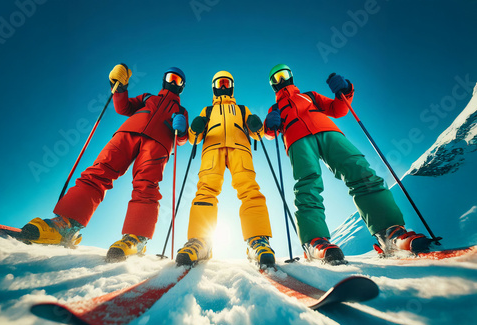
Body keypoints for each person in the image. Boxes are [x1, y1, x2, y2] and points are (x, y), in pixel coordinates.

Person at [263, 64, 432, 264]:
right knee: (307, 184)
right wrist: (270, 123)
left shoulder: (309, 96)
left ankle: (390, 233)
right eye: (276, 78)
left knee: (359, 169)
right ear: (272, 85)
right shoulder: (275, 108)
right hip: (297, 140)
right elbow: (269, 133)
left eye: (284, 75)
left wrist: (345, 90)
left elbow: (338, 109)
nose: (281, 80)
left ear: (291, 76)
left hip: (328, 132)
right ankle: (314, 242)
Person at [20, 64, 189, 262]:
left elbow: (182, 138)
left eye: (177, 80)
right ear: (164, 79)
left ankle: (136, 238)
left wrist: (183, 129)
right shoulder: (147, 98)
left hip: (158, 144)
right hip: (128, 133)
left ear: (182, 86)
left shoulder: (181, 110)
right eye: (170, 77)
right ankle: (67, 224)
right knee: (99, 171)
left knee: (146, 185)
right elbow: (123, 107)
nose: (172, 82)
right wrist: (120, 88)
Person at [176, 70, 275, 267]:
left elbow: (259, 135)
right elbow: (193, 139)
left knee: (249, 189)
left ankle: (258, 241)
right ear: (214, 87)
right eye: (220, 83)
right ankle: (200, 241)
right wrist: (195, 128)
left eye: (226, 83)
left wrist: (256, 126)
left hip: (240, 149)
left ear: (231, 86)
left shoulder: (241, 109)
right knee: (205, 191)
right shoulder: (208, 111)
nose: (223, 87)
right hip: (212, 150)